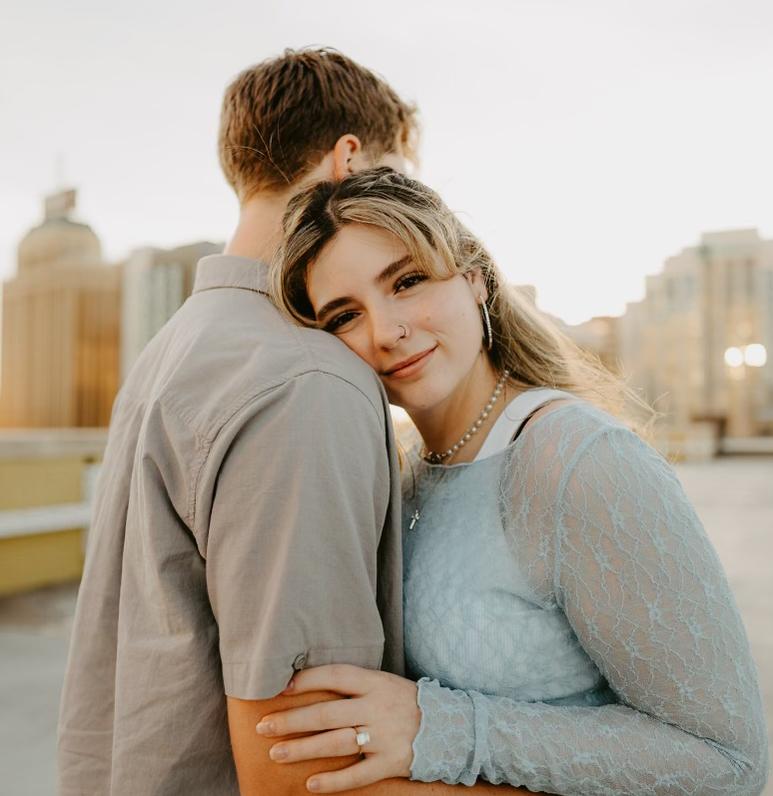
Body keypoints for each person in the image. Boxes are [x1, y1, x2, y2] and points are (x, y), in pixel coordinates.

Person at [57, 49, 513, 796]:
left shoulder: (173, 350)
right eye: (399, 176)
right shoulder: (308, 379)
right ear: (349, 163)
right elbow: (307, 772)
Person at [263, 166, 769, 795]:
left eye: (408, 281)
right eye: (344, 316)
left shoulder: (580, 462)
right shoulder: (404, 473)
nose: (385, 332)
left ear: (473, 277)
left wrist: (442, 727)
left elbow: (727, 760)